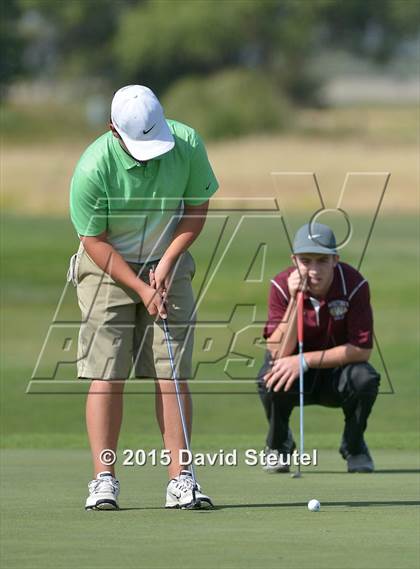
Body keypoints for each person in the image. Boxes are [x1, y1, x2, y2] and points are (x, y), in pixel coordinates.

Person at [68, 85, 218, 509]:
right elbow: (93, 241)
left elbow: (196, 207)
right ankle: (104, 479)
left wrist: (169, 261)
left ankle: (181, 478)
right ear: (112, 130)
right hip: (107, 268)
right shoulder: (93, 168)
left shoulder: (185, 143)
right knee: (107, 372)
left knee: (171, 372)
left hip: (166, 260)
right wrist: (138, 287)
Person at [257, 222, 380, 473]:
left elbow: (362, 349)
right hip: (294, 378)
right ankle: (279, 445)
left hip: (337, 375)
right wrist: (294, 300)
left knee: (365, 378)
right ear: (294, 260)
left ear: (335, 259)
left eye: (322, 260)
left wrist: (305, 360)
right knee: (269, 377)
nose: (314, 269)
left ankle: (354, 446)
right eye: (306, 261)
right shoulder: (281, 285)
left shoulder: (354, 285)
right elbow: (278, 352)